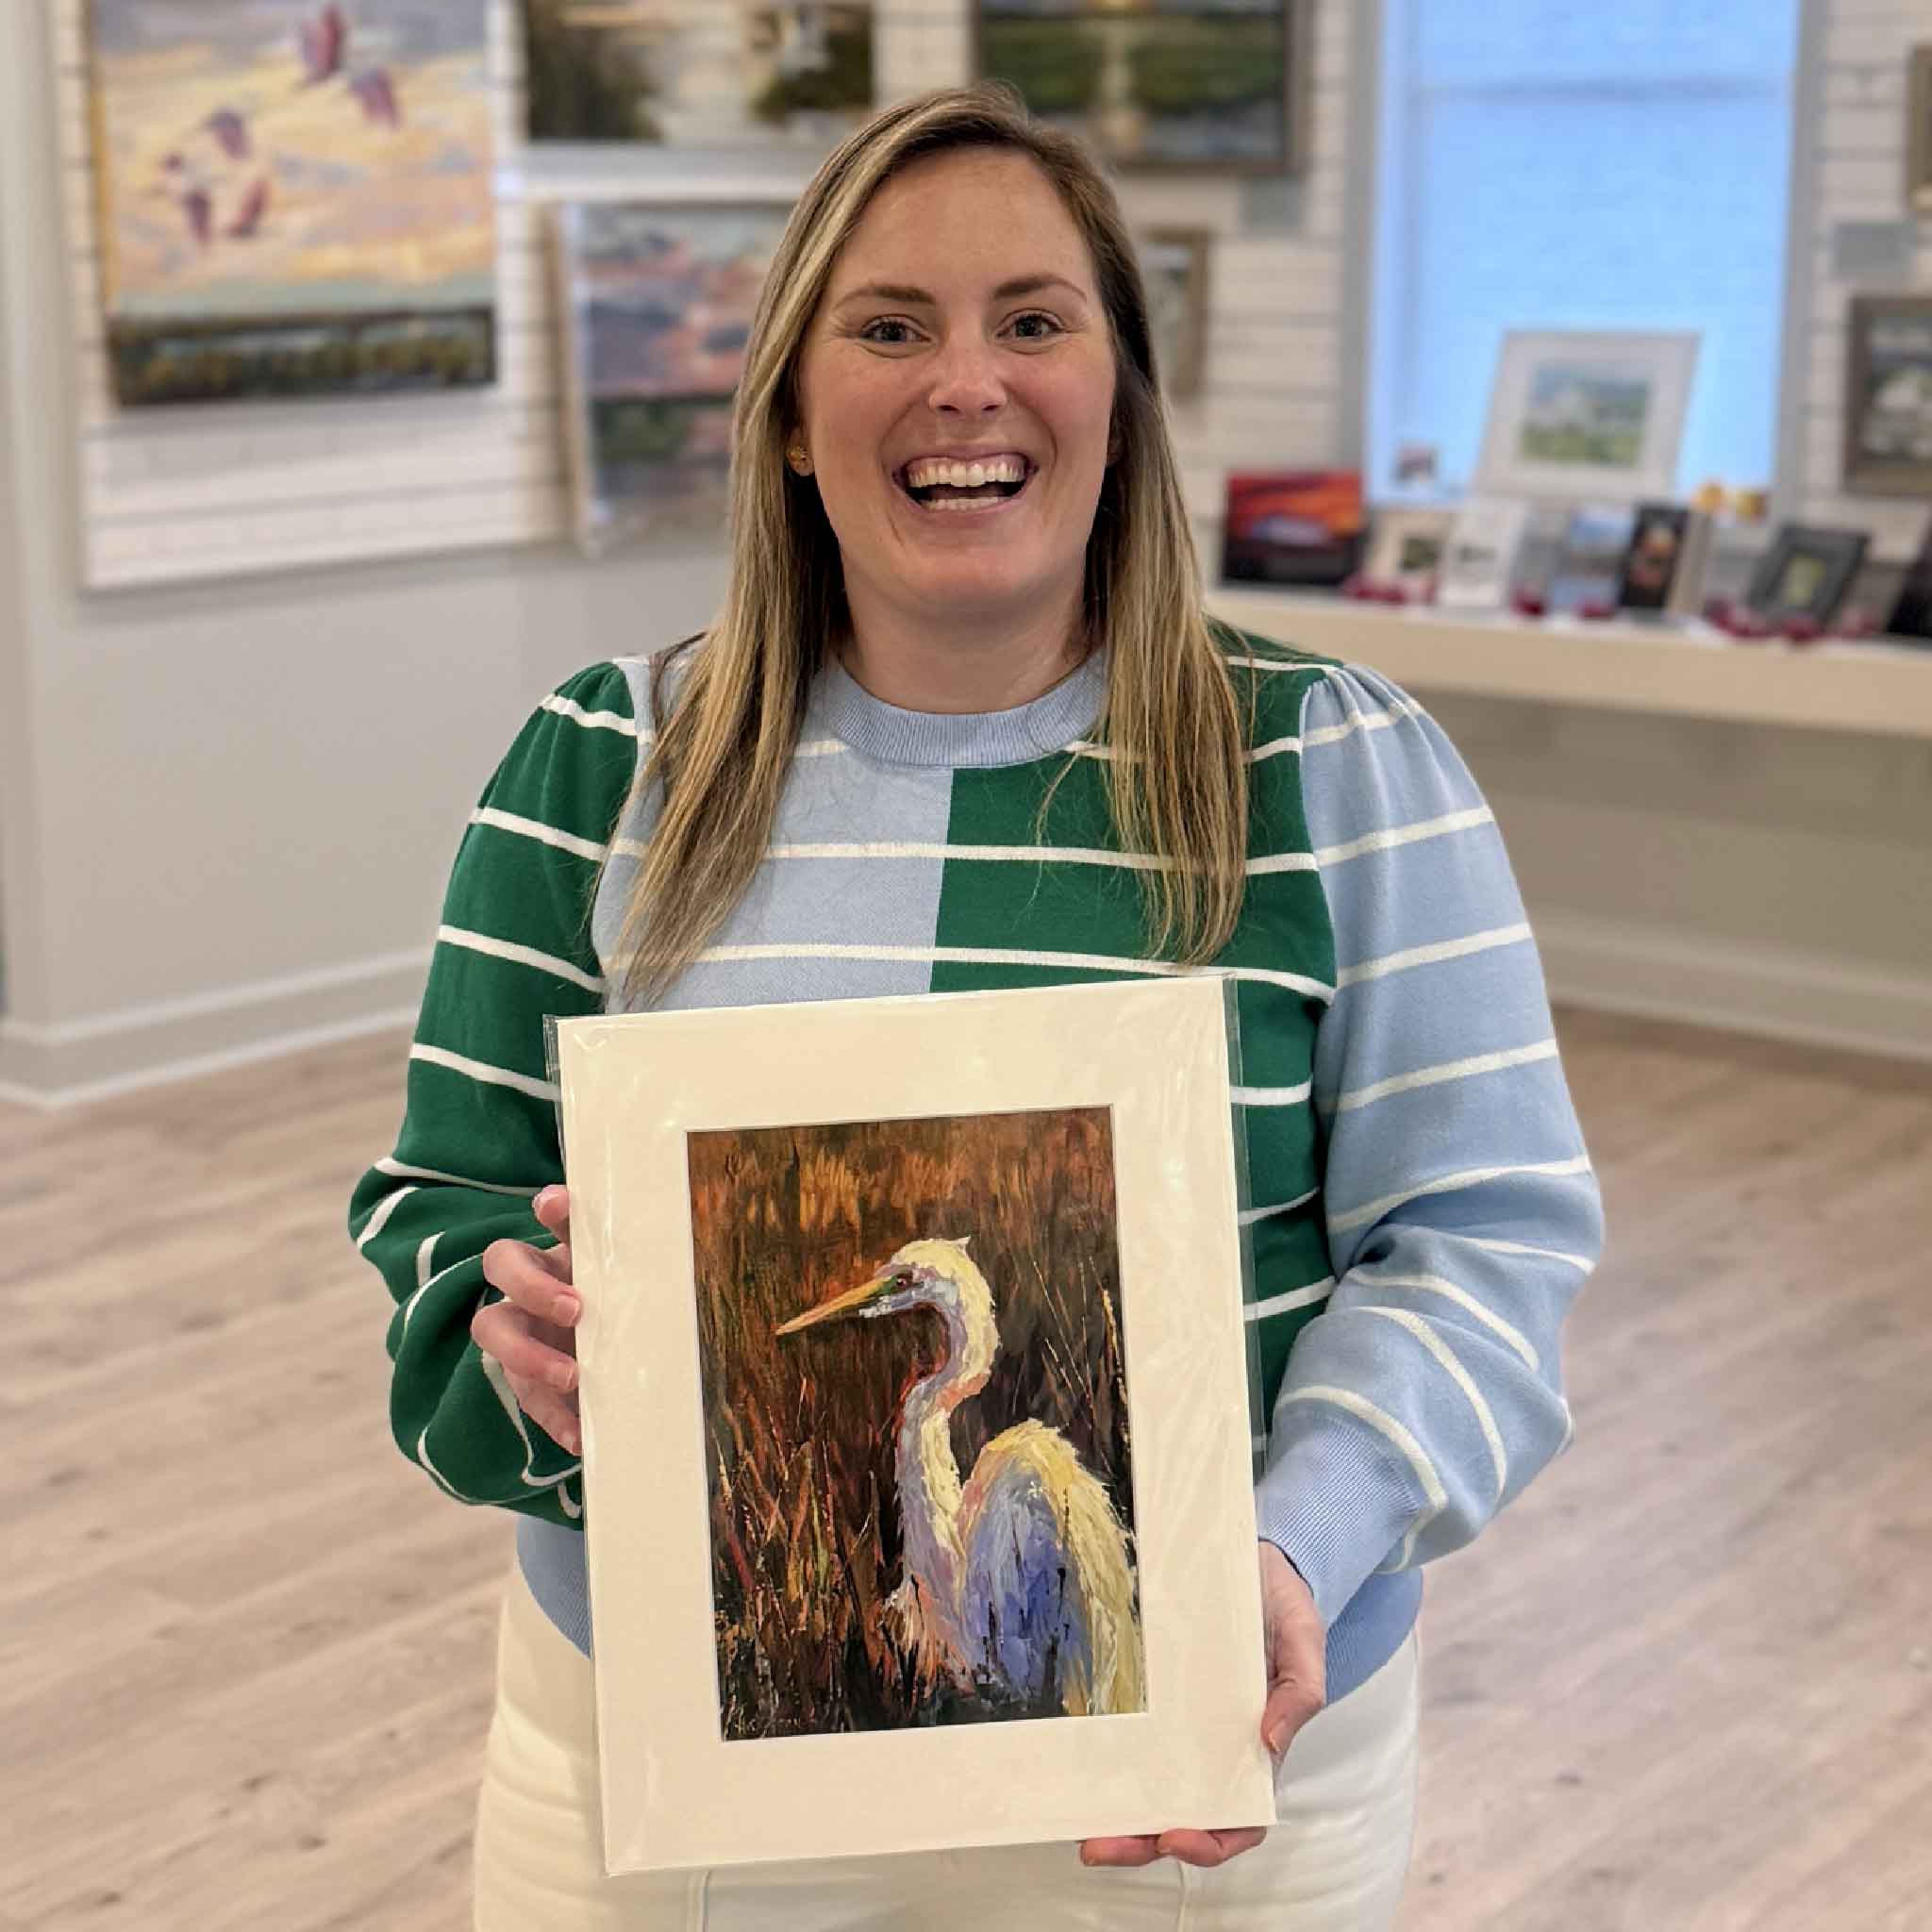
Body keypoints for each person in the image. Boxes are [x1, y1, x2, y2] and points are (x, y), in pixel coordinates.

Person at [349, 82, 1603, 1930]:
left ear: (1121, 396)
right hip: (664, 1768)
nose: (965, 385)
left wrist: (1289, 1546)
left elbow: (1480, 1246)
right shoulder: (600, 767)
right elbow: (437, 1216)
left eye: (1034, 319)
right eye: (886, 326)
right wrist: (520, 1349)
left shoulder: (1330, 768)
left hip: (1203, 1764)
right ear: (787, 409)